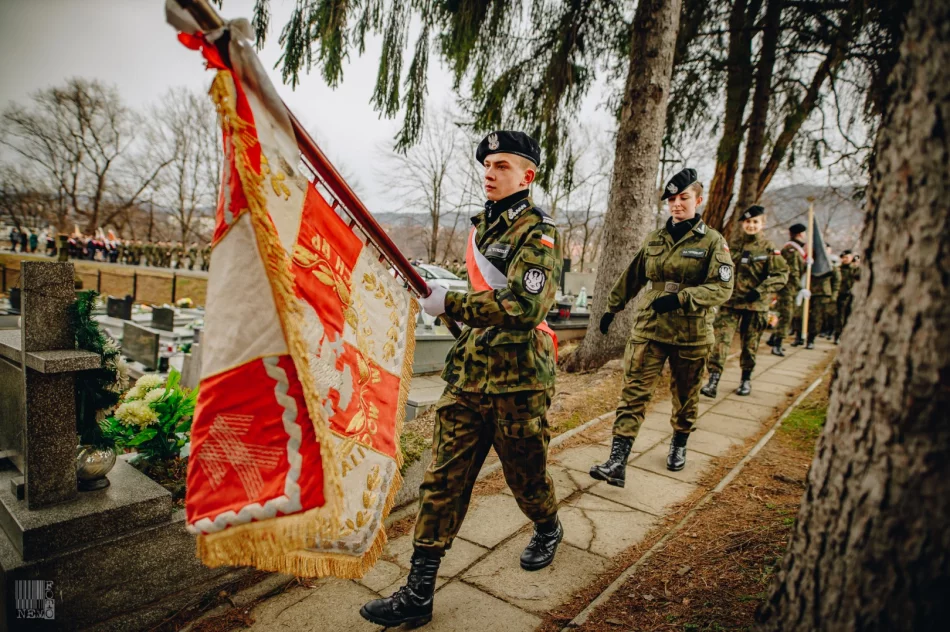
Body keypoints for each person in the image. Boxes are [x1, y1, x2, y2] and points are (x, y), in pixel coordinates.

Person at [360, 131, 563, 628]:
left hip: (518, 384)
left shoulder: (538, 234)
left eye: (501, 166)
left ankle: (548, 526)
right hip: (470, 376)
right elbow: (478, 302)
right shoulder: (482, 229)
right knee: (442, 481)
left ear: (527, 175)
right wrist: (437, 293)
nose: (489, 173)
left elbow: (522, 306)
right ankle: (418, 592)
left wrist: (449, 303)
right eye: (487, 165)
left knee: (526, 477)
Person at [590, 168, 734, 486]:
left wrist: (682, 299)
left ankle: (679, 444)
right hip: (650, 328)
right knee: (633, 393)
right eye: (672, 199)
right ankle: (617, 462)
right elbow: (634, 275)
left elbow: (722, 289)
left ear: (698, 200)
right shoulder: (656, 238)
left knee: (685, 396)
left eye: (683, 198)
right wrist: (612, 308)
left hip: (691, 333)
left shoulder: (713, 243)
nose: (677, 204)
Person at [700, 205, 788, 398]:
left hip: (756, 305)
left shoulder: (769, 248)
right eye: (747, 222)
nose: (751, 225)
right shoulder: (733, 245)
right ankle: (713, 381)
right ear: (742, 224)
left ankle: (745, 380)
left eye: (755, 222)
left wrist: (760, 291)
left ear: (762, 224)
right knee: (720, 341)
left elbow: (782, 275)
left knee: (750, 344)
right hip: (730, 302)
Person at [769, 223, 807, 355]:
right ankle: (776, 344)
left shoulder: (795, 249)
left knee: (786, 315)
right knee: (786, 315)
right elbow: (793, 272)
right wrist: (800, 287)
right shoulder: (791, 249)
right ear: (800, 234)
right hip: (787, 287)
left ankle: (773, 339)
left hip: (790, 288)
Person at [834, 250, 859, 343]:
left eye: (847, 258)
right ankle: (838, 335)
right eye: (843, 258)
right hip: (840, 294)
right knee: (839, 316)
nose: (845, 259)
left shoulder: (855, 269)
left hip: (851, 295)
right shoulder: (838, 269)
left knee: (848, 316)